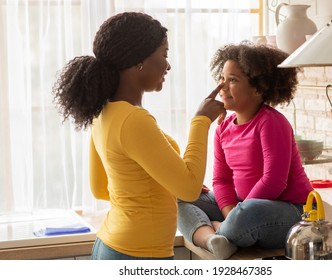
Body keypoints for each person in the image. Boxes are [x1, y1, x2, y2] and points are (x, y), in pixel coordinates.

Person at [52, 12, 226, 260]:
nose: (168, 65)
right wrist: (201, 121)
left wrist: (166, 180)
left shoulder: (104, 111)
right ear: (138, 61)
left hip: (111, 245)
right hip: (137, 254)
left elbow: (100, 188)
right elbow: (189, 190)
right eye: (164, 55)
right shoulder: (134, 120)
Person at [178, 43, 313, 259]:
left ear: (258, 88)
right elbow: (221, 180)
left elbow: (274, 181)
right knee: (177, 196)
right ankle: (214, 239)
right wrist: (231, 213)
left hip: (293, 212)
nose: (222, 87)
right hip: (241, 207)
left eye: (232, 80)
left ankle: (216, 228)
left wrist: (238, 214)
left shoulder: (271, 123)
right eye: (222, 78)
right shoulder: (222, 127)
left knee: (250, 212)